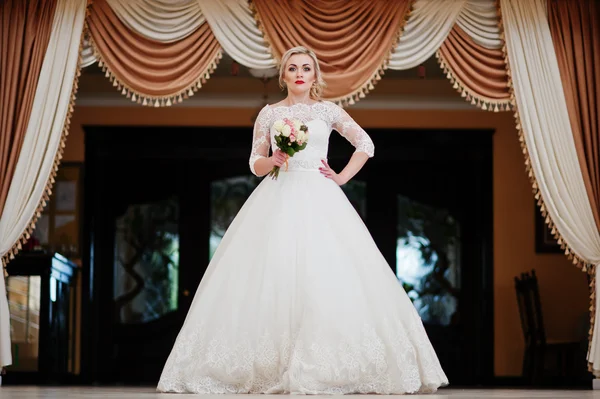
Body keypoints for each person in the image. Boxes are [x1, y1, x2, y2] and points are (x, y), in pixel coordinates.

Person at [157, 46, 448, 395]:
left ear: (314, 75)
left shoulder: (328, 111)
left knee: (325, 274)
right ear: (283, 76)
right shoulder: (268, 114)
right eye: (292, 68)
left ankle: (329, 364)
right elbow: (254, 163)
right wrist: (275, 159)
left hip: (321, 197)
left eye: (306, 68)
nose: (299, 73)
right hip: (277, 196)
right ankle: (266, 364)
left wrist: (341, 177)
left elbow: (365, 144)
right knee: (272, 275)